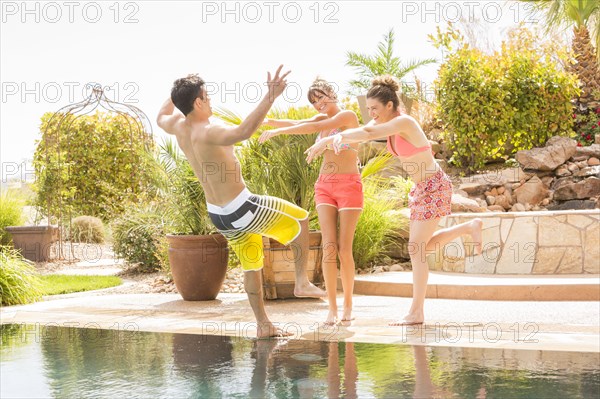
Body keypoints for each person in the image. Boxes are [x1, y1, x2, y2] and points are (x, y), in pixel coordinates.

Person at [157, 65, 326, 338]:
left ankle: (263, 325)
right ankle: (301, 282)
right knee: (301, 219)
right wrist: (271, 96)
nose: (211, 101)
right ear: (198, 102)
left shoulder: (177, 126)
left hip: (219, 215)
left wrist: (177, 94)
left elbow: (161, 115)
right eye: (207, 96)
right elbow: (245, 131)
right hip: (241, 206)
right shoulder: (209, 131)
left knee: (252, 263)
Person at [306, 75, 483, 326]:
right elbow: (367, 133)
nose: (371, 114)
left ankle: (416, 312)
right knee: (418, 248)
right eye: (368, 110)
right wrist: (337, 138)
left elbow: (367, 131)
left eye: (375, 109)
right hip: (421, 188)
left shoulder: (405, 122)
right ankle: (468, 228)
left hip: (434, 185)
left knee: (417, 250)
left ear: (390, 105)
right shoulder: (390, 128)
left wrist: (330, 138)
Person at [260, 78, 362, 325]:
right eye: (314, 101)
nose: (318, 104)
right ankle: (332, 309)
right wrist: (269, 122)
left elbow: (308, 128)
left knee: (344, 249)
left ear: (332, 92)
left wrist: (279, 131)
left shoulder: (346, 116)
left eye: (321, 97)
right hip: (324, 186)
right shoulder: (321, 121)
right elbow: (300, 123)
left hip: (349, 185)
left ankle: (348, 305)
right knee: (328, 247)